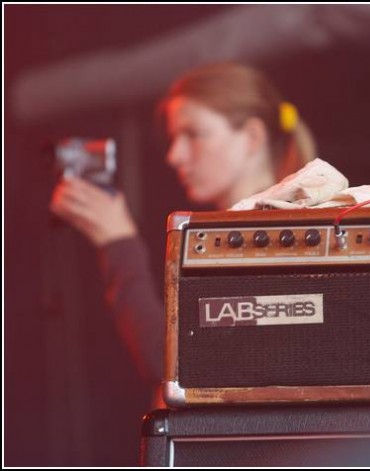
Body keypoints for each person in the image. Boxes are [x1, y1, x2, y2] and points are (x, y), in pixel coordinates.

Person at [49, 62, 317, 399]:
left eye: (194, 134)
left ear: (251, 137)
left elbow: (176, 368)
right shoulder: (217, 236)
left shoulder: (279, 239)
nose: (174, 155)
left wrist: (118, 243)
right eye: (174, 138)